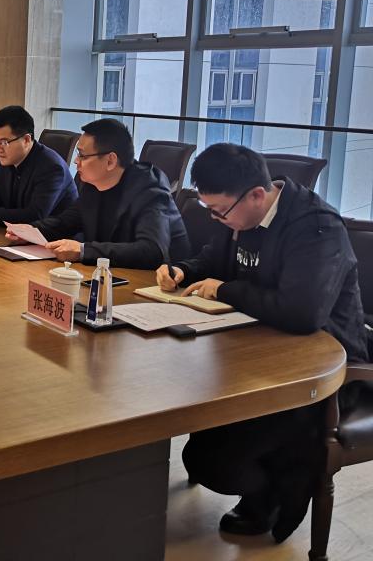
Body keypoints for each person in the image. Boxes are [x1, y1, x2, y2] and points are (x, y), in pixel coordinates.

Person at [155, 143, 369, 542]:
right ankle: (268, 481)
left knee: (216, 460)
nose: (217, 219)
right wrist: (182, 271)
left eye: (220, 211)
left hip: (320, 369)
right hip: (258, 352)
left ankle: (279, 492)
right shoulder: (239, 215)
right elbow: (213, 260)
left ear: (257, 194)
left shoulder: (316, 227)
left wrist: (225, 290)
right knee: (199, 448)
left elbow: (303, 313)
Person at [8, 117, 189, 268]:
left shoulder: (150, 190)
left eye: (82, 155)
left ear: (110, 160)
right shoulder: (94, 184)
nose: (76, 161)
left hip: (160, 286)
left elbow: (152, 251)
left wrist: (83, 251)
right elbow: (66, 222)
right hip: (110, 276)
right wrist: (31, 231)